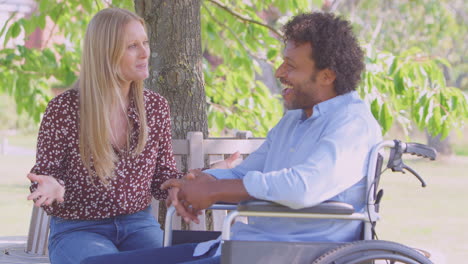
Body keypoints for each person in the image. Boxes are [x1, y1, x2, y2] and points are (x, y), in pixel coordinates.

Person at [81, 12, 382, 264]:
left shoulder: (352, 126)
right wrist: (193, 184)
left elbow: (301, 188)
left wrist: (215, 191)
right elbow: (245, 173)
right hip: (241, 248)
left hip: (288, 255)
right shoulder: (294, 119)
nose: (279, 72)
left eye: (291, 66)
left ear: (327, 75)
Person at [26, 8, 184, 264]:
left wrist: (198, 180)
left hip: (138, 224)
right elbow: (44, 178)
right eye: (133, 46)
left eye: (145, 43)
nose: (145, 53)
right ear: (105, 54)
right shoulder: (64, 109)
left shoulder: (155, 107)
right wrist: (52, 187)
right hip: (78, 229)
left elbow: (161, 177)